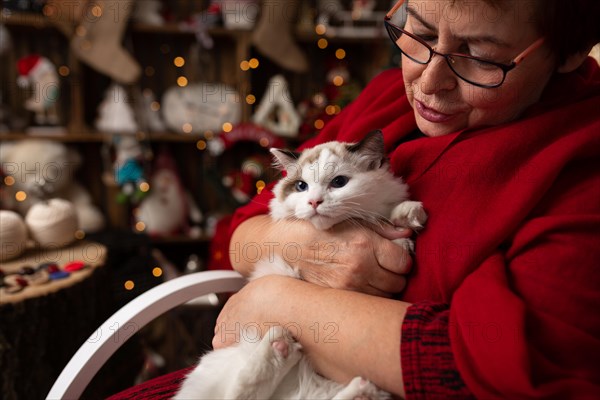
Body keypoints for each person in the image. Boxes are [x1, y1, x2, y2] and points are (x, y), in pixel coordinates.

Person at [109, 0, 600, 398]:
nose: (429, 83)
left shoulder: (581, 171)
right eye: (420, 33)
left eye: (478, 55)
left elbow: (491, 371)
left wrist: (278, 301)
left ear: (571, 50)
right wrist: (314, 251)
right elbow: (238, 235)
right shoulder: (388, 97)